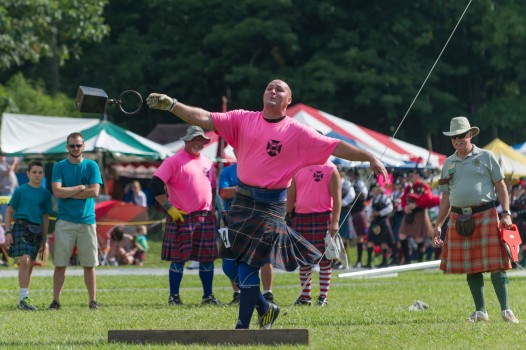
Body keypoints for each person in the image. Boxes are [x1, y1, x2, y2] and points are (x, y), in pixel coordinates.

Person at [146, 79, 387, 329]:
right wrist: (173, 105)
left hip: (270, 204)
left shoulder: (298, 131)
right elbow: (205, 118)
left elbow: (336, 146)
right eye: (269, 88)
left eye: (279, 89)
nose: (273, 91)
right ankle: (265, 308)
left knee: (249, 264)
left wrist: (368, 157)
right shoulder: (242, 119)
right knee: (236, 265)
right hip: (241, 203)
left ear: (288, 100)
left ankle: (242, 327)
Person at [433, 116, 519, 323]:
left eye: (461, 135)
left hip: (487, 215)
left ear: (470, 135)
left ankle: (506, 310)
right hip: (458, 217)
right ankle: (481, 311)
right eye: (454, 137)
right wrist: (438, 224)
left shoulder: (487, 156)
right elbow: (446, 196)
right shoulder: (448, 163)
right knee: (470, 266)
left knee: (498, 265)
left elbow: (500, 186)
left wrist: (506, 213)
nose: (457, 140)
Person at [150, 125, 221, 306]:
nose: (198, 143)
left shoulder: (208, 162)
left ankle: (208, 296)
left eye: (201, 140)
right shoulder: (173, 161)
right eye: (194, 140)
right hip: (182, 216)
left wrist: (213, 208)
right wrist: (169, 207)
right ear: (187, 141)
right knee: (179, 258)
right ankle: (174, 297)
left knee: (207, 257)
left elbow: (212, 187)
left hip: (205, 217)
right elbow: (156, 184)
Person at [50, 132, 103, 310]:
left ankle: (93, 301)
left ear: (84, 146)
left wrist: (68, 192)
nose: (75, 148)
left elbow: (95, 192)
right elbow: (57, 192)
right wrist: (81, 188)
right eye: (72, 146)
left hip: (87, 221)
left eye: (78, 145)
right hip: (65, 221)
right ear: (67, 147)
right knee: (60, 264)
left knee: (89, 264)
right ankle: (55, 301)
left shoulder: (92, 165)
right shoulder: (59, 167)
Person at [219, 160, 275, 305]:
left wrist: (240, 191)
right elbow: (224, 193)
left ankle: (267, 294)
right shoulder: (227, 171)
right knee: (229, 264)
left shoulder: (260, 167)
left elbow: (266, 191)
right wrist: (247, 190)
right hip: (230, 220)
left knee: (263, 258)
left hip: (256, 219)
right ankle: (240, 294)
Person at [286, 159, 341, 306]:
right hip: (301, 217)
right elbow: (291, 192)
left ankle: (323, 297)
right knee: (304, 260)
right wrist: (288, 213)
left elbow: (337, 197)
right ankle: (305, 297)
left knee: (325, 260)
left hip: (323, 217)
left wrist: (335, 222)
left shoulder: (330, 168)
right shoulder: (298, 166)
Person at [4, 160, 52, 310]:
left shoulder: (45, 194)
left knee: (30, 264)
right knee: (24, 260)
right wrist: (7, 232)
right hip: (20, 227)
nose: (37, 175)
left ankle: (23, 300)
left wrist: (44, 239)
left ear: (43, 174)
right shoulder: (20, 190)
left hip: (37, 231)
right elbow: (9, 211)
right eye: (34, 172)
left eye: (40, 172)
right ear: (28, 174)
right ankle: (23, 298)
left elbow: (45, 217)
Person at [398, 169, 434, 264]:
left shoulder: (424, 186)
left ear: (418, 176)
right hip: (409, 214)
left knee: (419, 238)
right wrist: (405, 207)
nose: (410, 178)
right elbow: (403, 198)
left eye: (412, 176)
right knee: (402, 235)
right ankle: (407, 260)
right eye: (410, 176)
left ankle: (419, 261)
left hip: (419, 213)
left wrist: (417, 204)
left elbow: (428, 198)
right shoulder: (408, 187)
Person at [364, 183, 394, 268]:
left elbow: (390, 208)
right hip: (374, 222)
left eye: (376, 188)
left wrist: (379, 213)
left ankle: (385, 262)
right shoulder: (373, 199)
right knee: (370, 241)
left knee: (384, 242)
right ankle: (369, 262)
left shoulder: (385, 198)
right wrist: (369, 217)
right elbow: (369, 209)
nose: (374, 190)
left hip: (382, 221)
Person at [349, 170, 369, 268]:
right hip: (354, 214)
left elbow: (364, 195)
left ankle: (359, 261)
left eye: (352, 175)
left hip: (359, 213)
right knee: (357, 238)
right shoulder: (353, 184)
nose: (350, 177)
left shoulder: (359, 184)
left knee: (360, 238)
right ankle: (358, 261)